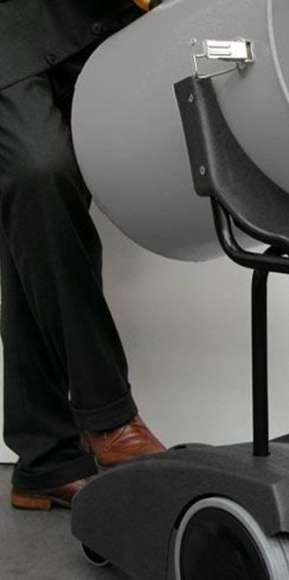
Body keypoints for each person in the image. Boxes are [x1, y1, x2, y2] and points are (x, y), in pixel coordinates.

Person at [0, 0, 165, 510]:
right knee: (39, 174)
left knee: (37, 229)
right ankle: (108, 415)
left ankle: (46, 461)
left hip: (102, 23)